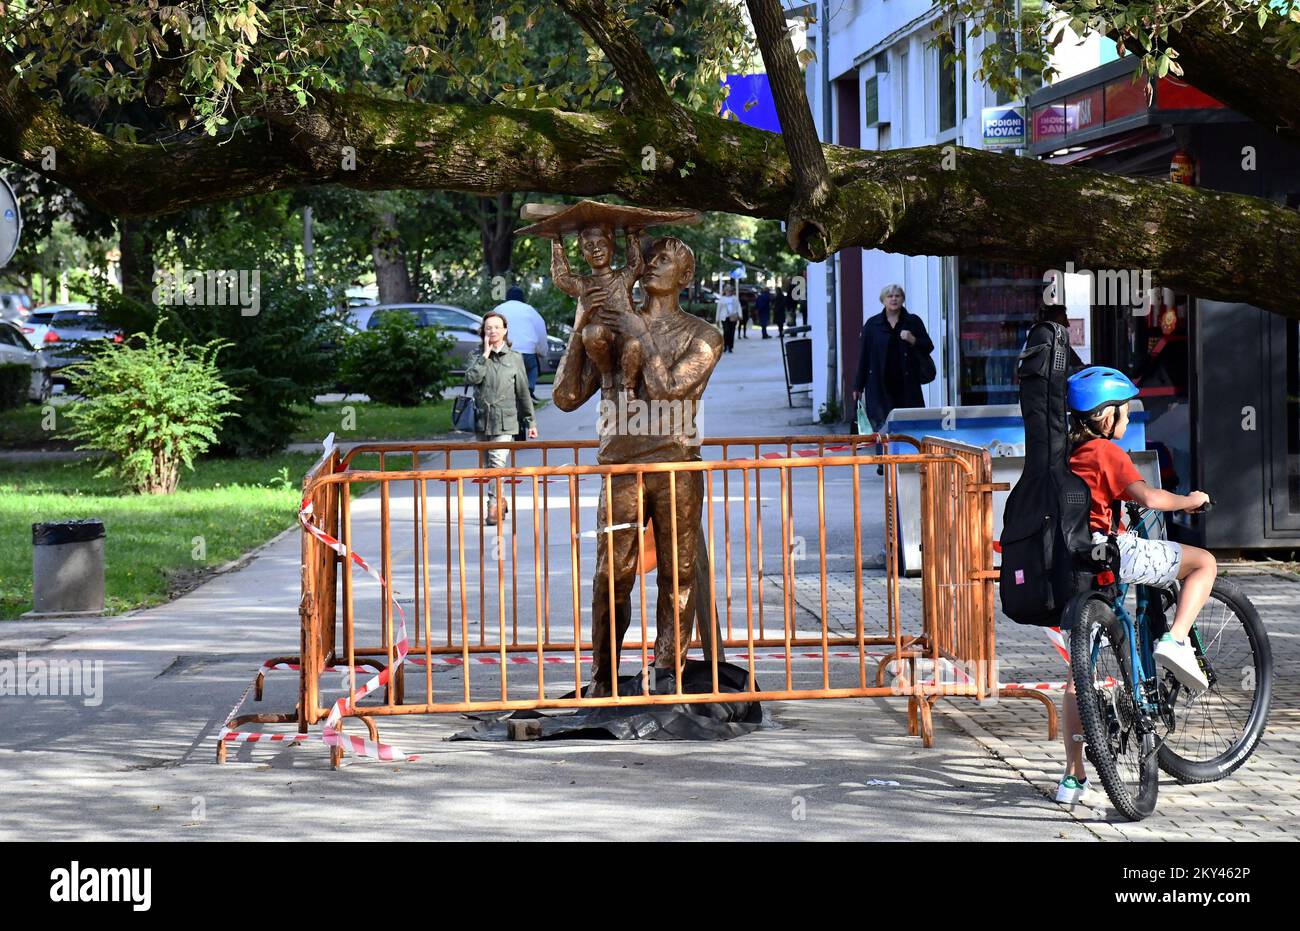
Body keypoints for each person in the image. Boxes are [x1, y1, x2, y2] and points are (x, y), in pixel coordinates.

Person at [552, 236, 724, 696]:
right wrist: (580, 323)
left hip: (676, 467)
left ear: (684, 277)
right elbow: (566, 397)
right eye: (647, 257)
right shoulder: (613, 328)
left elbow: (668, 389)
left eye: (664, 259)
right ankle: (603, 678)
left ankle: (668, 673)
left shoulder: (704, 335)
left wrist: (638, 330)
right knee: (611, 577)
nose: (650, 265)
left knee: (678, 573)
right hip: (620, 470)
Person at [1056, 366, 1216, 805]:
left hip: (1073, 566)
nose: (1127, 421)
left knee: (1078, 677)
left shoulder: (1064, 453)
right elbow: (1149, 499)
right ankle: (1177, 640)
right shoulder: (1106, 453)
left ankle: (1073, 778)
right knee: (1203, 563)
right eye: (1125, 413)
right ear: (1106, 417)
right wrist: (1190, 501)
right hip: (1114, 555)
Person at [551, 223, 644, 402]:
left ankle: (628, 386)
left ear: (612, 247)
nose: (596, 250)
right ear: (583, 253)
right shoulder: (583, 284)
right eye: (589, 246)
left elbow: (636, 265)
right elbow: (561, 278)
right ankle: (606, 377)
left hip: (625, 335)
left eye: (601, 243)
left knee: (633, 345)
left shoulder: (623, 278)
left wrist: (631, 234)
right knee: (591, 332)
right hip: (601, 344)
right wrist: (556, 242)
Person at [464, 311, 537, 525]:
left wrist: (530, 421)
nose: (493, 331)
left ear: (505, 330)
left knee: (497, 465)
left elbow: (523, 392)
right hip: (481, 421)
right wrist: (485, 355)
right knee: (489, 467)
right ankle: (501, 500)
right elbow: (471, 377)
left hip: (505, 422)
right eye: (488, 328)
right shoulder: (476, 356)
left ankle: (492, 507)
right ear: (483, 332)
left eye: (497, 327)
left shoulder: (515, 358)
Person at [852, 284, 935, 471]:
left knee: (909, 420)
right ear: (883, 300)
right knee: (883, 423)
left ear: (903, 299)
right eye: (890, 296)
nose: (894, 299)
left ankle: (912, 457)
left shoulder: (912, 322)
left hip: (907, 383)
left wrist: (913, 339)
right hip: (880, 384)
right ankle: (884, 461)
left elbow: (928, 346)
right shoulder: (872, 325)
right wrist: (858, 386)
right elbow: (863, 356)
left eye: (897, 296)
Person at [491, 286, 549, 401]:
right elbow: (541, 330)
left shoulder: (498, 309)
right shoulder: (529, 310)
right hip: (526, 351)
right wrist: (542, 351)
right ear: (522, 298)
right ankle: (529, 390)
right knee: (532, 368)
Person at [714, 282, 740, 353]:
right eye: (727, 290)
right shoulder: (722, 299)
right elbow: (718, 310)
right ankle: (725, 346)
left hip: (733, 317)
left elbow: (738, 307)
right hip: (724, 317)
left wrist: (740, 316)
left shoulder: (735, 298)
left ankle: (730, 347)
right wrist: (717, 319)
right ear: (725, 291)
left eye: (730, 290)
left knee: (732, 332)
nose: (729, 292)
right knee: (726, 332)